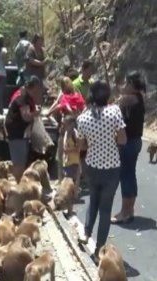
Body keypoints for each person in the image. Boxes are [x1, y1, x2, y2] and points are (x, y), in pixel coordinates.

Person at [76, 81, 127, 260]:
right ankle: (99, 250)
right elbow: (122, 139)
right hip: (111, 168)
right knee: (106, 210)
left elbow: (81, 145)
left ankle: (86, 233)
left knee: (93, 199)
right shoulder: (114, 112)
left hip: (92, 166)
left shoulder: (82, 118)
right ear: (107, 95)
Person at [111, 71, 146, 224]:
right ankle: (129, 210)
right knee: (130, 175)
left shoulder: (131, 99)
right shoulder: (138, 98)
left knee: (125, 176)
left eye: (126, 83)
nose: (124, 86)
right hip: (135, 141)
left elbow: (117, 102)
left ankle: (125, 212)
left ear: (132, 84)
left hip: (129, 142)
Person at [5, 76, 41, 183]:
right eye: (37, 88)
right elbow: (25, 116)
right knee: (19, 163)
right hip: (16, 133)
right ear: (33, 87)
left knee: (21, 160)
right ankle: (18, 185)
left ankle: (19, 183)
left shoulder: (27, 97)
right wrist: (36, 113)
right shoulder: (22, 97)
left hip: (22, 133)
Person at [62, 115, 81, 189]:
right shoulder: (66, 133)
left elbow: (78, 148)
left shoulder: (74, 134)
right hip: (67, 161)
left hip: (73, 161)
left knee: (70, 180)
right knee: (68, 179)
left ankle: (73, 193)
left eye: (66, 124)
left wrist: (68, 151)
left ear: (71, 124)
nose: (64, 126)